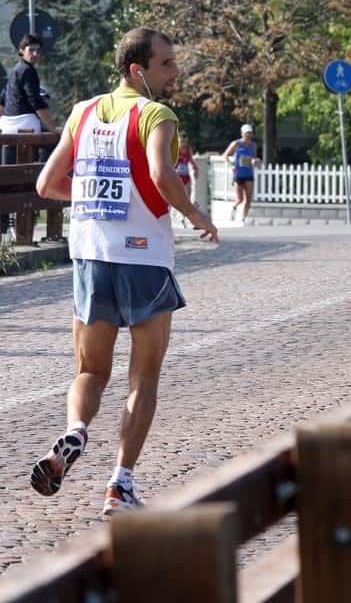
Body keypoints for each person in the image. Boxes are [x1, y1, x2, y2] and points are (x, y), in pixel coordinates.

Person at [31, 27, 219, 516]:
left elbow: (47, 184)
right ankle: (120, 484)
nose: (175, 71)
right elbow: (160, 175)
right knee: (144, 378)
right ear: (139, 70)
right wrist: (195, 213)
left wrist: (94, 194)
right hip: (144, 258)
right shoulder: (156, 113)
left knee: (90, 370)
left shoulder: (82, 111)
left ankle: (74, 432)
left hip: (92, 255)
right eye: (166, 64)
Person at [0, 34, 55, 136]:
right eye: (31, 50)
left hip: (6, 127)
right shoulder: (28, 70)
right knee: (56, 142)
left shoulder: (14, 70)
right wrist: (54, 129)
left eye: (38, 51)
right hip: (26, 124)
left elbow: (2, 100)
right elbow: (35, 101)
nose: (35, 54)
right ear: (21, 50)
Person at [222, 123, 260, 224]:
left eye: (250, 133)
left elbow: (253, 158)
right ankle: (234, 208)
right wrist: (232, 164)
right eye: (246, 133)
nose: (248, 135)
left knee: (248, 198)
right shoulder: (236, 144)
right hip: (238, 174)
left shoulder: (253, 145)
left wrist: (254, 161)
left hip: (248, 174)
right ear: (242, 133)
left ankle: (243, 218)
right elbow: (225, 155)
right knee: (240, 199)